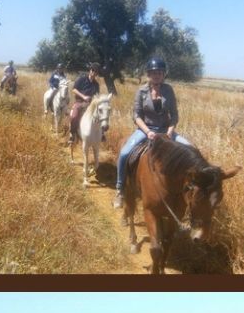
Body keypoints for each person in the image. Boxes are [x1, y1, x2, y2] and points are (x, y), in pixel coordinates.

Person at [113, 57, 192, 208]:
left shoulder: (168, 90)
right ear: (148, 74)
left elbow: (174, 115)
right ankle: (120, 189)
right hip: (146, 130)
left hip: (166, 130)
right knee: (124, 153)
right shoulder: (141, 91)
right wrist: (148, 132)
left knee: (191, 148)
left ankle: (187, 195)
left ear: (163, 75)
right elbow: (136, 116)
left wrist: (170, 130)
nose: (157, 75)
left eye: (160, 73)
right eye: (154, 73)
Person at [70, 65, 101, 145]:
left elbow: (97, 95)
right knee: (74, 116)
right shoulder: (81, 79)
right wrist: (83, 96)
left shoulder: (96, 84)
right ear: (90, 70)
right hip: (79, 101)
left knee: (101, 115)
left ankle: (101, 134)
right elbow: (74, 89)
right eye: (93, 70)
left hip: (90, 104)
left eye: (96, 72)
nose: (94, 73)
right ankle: (72, 134)